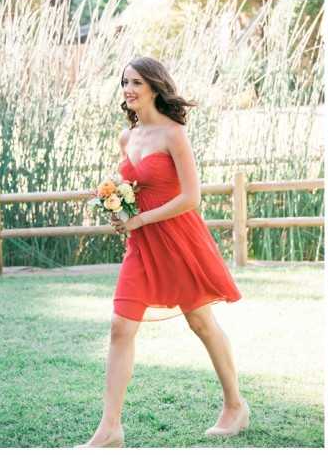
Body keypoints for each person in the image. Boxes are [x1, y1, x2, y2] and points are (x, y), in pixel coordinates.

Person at [77, 57, 249, 448]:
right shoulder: (127, 137)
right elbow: (132, 189)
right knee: (120, 326)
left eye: (136, 82)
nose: (128, 89)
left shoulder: (174, 134)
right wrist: (118, 208)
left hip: (178, 239)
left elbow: (191, 198)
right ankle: (110, 429)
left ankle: (235, 405)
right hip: (141, 244)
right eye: (124, 83)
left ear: (155, 87)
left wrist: (139, 220)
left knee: (201, 324)